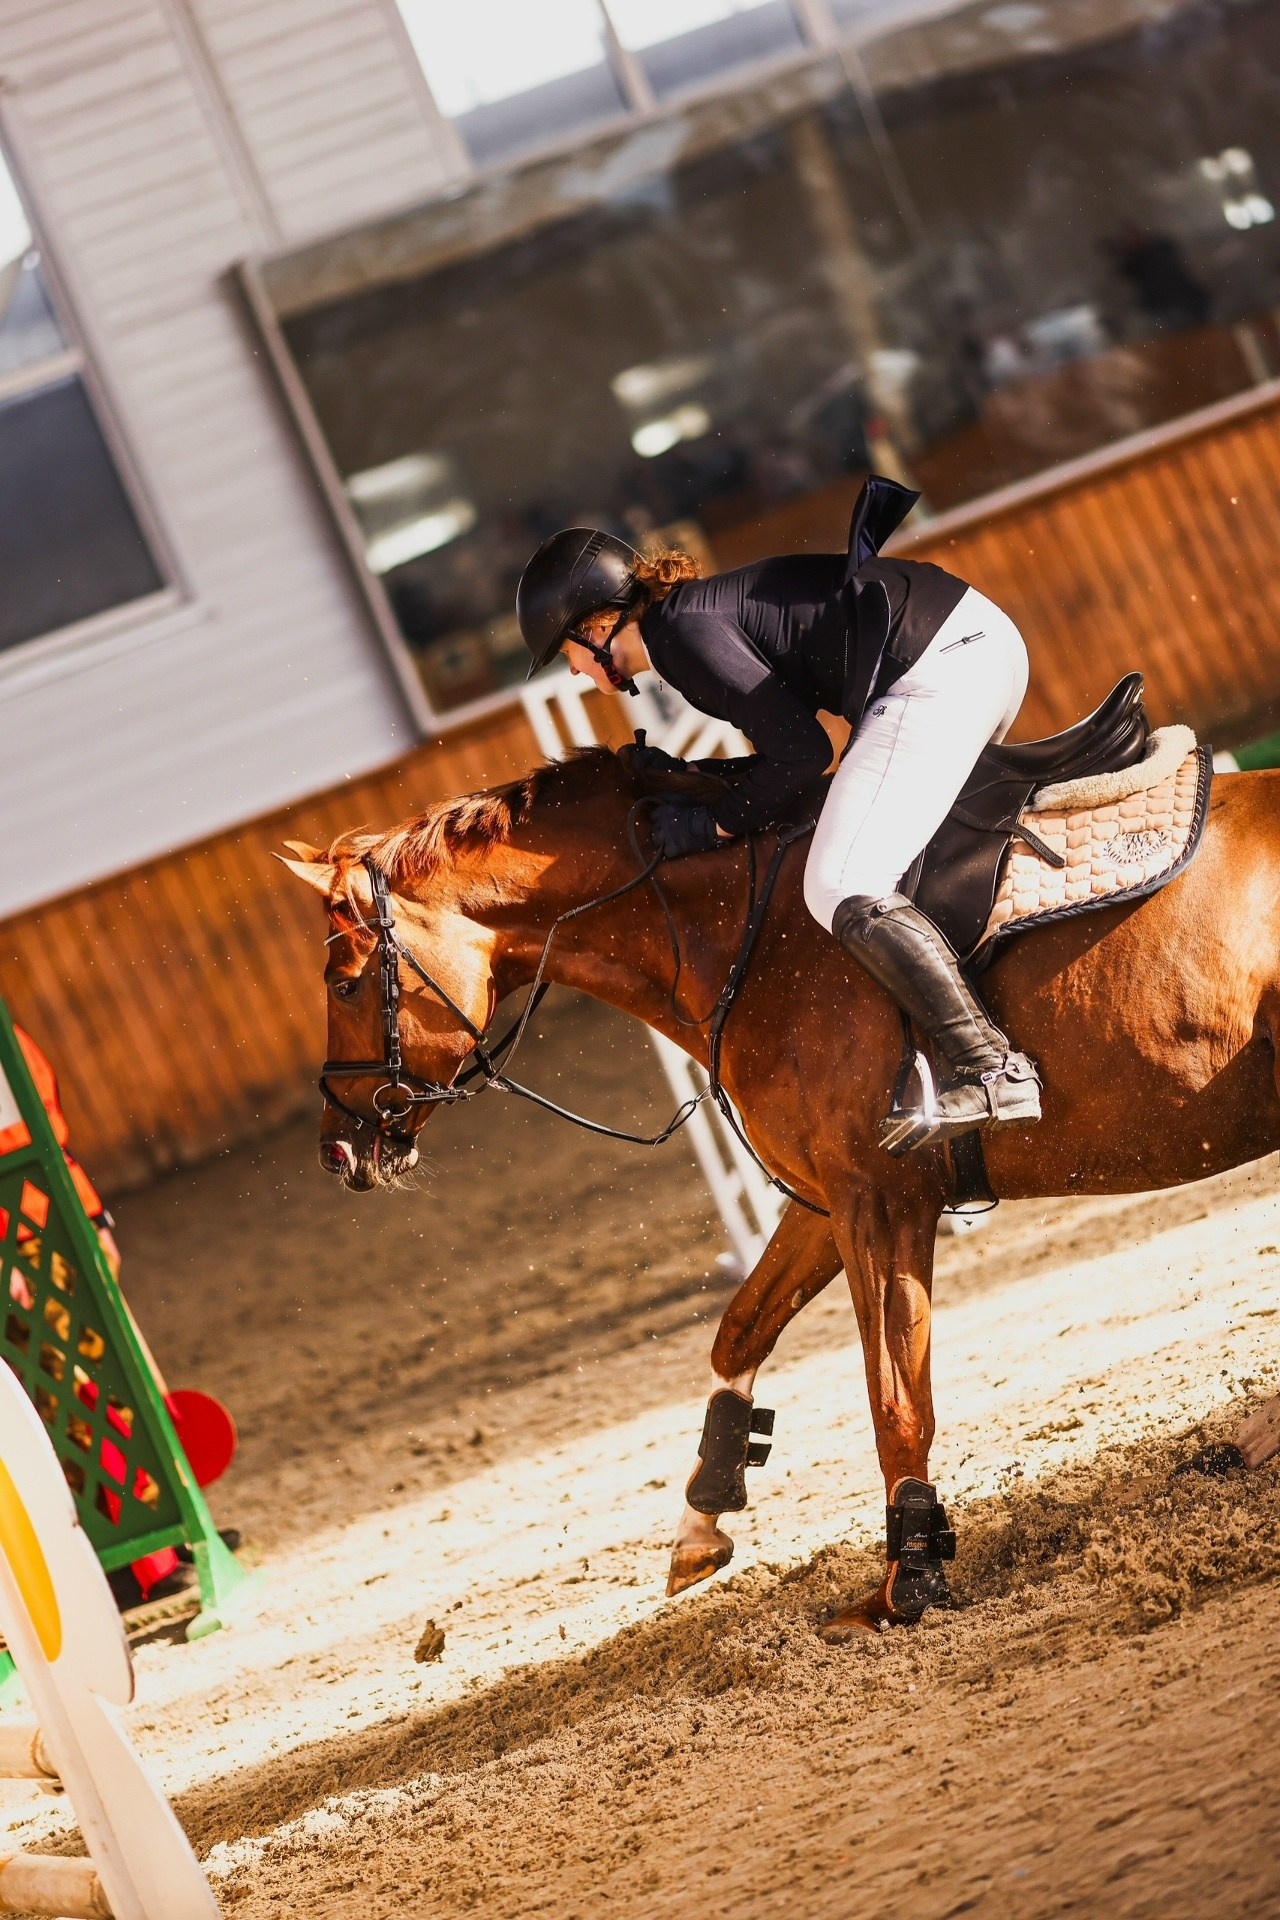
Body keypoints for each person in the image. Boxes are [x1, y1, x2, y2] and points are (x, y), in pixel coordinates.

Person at [515, 475, 1041, 1148]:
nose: (579, 675)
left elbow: (800, 756)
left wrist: (711, 823)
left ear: (594, 628)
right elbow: (789, 757)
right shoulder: (685, 621)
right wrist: (695, 779)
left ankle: (991, 1065)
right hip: (972, 645)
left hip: (937, 669)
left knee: (839, 884)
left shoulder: (680, 636)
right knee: (876, 858)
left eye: (569, 657)